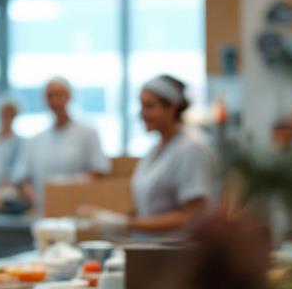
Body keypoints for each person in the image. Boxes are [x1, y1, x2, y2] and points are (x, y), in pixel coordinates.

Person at [87, 75, 215, 234]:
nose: (142, 113)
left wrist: (130, 225)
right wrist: (114, 220)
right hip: (152, 246)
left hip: (178, 252)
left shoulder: (191, 149)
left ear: (172, 108)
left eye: (149, 106)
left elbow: (193, 215)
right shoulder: (155, 150)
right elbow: (145, 207)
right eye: (141, 106)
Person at [13, 77, 110, 209]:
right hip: (42, 208)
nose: (55, 100)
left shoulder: (87, 133)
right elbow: (22, 175)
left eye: (59, 94)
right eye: (50, 96)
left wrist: (67, 185)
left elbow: (99, 170)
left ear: (69, 96)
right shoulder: (36, 139)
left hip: (76, 208)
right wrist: (28, 192)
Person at [0, 97, 23, 186]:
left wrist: (9, 180)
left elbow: (20, 167)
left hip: (10, 186)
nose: (8, 118)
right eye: (5, 114)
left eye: (12, 115)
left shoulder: (19, 142)